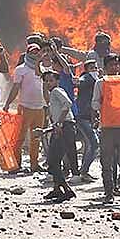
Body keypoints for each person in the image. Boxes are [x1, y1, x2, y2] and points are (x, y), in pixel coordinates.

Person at [92, 54, 120, 204]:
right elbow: (94, 104)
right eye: (111, 65)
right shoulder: (100, 83)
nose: (115, 68)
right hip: (107, 128)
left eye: (116, 65)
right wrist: (106, 104)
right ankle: (109, 194)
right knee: (106, 163)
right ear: (105, 68)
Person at [34, 70, 77, 202]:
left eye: (51, 80)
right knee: (53, 160)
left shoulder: (57, 91)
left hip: (65, 128)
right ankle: (57, 189)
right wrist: (45, 131)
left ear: (57, 81)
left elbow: (67, 104)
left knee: (53, 161)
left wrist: (59, 123)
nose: (48, 83)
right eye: (46, 81)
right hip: (61, 129)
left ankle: (66, 190)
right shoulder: (52, 95)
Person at [4, 43, 46, 172]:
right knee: (19, 137)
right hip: (25, 107)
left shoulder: (42, 69)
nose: (35, 54)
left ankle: (34, 164)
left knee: (36, 138)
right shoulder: (20, 69)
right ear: (27, 53)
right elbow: (15, 87)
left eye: (37, 52)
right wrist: (7, 103)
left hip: (40, 108)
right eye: (32, 52)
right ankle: (16, 164)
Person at [74, 59, 100, 182]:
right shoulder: (88, 77)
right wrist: (77, 81)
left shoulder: (96, 80)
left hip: (88, 116)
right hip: (83, 116)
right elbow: (80, 81)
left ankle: (83, 171)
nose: (94, 70)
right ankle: (83, 171)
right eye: (91, 68)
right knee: (94, 144)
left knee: (87, 143)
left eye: (95, 67)